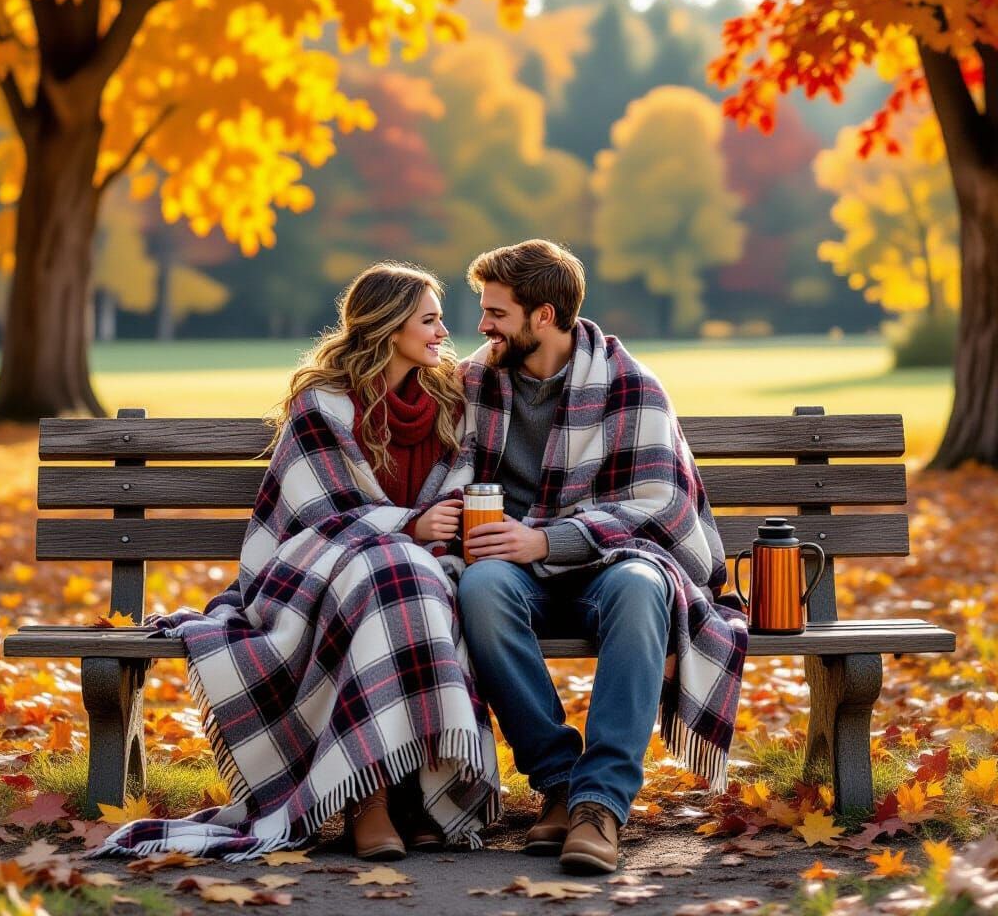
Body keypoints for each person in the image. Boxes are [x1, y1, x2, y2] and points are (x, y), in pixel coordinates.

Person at [92, 262, 500, 863]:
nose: (444, 332)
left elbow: (464, 486)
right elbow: (318, 514)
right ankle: (373, 798)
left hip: (417, 572)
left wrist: (439, 528)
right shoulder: (323, 405)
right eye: (430, 320)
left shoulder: (450, 401)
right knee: (394, 574)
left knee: (411, 580)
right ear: (389, 328)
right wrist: (409, 527)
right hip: (317, 571)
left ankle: (414, 789)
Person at [452, 240, 749, 874]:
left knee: (643, 587)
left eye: (496, 313)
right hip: (518, 569)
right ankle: (560, 784)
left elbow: (660, 501)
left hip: (610, 564)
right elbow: (451, 475)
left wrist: (549, 539)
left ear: (544, 316)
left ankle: (600, 805)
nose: (483, 327)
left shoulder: (629, 382)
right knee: (479, 589)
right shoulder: (477, 380)